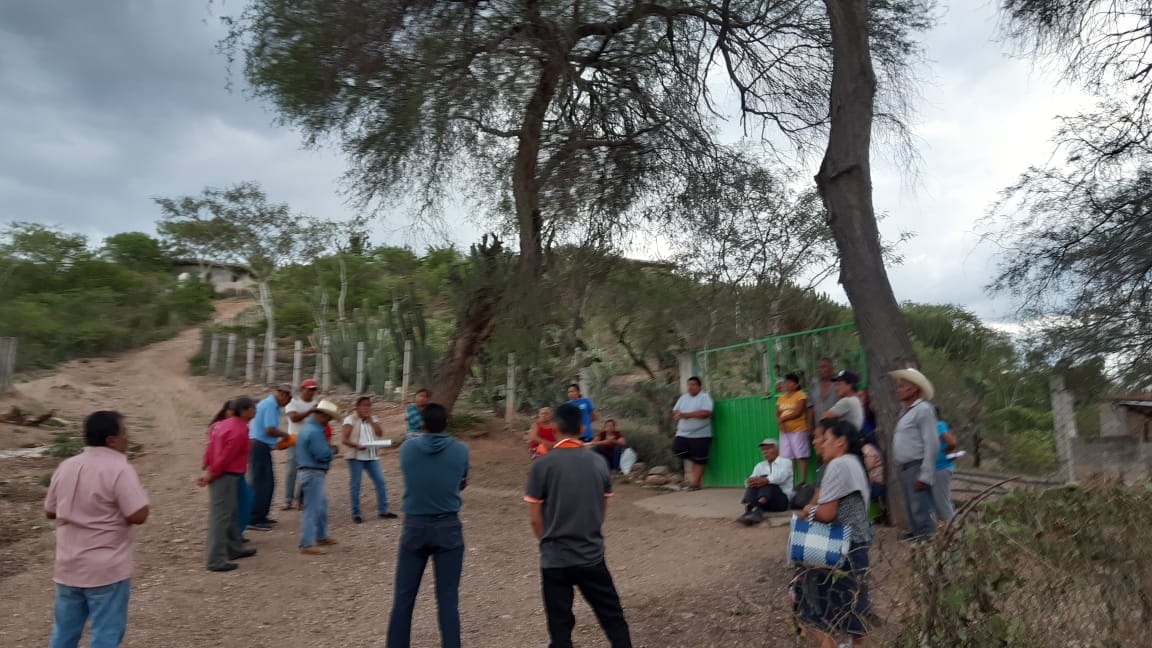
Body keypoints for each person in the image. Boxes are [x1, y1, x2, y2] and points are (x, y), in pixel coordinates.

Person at [525, 403, 632, 648]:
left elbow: (534, 517)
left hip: (555, 558)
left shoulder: (542, 465)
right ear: (583, 427)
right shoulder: (598, 464)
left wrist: (546, 541)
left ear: (554, 427)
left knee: (560, 626)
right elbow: (602, 509)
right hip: (591, 554)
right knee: (613, 618)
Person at [44, 411, 149, 648]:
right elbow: (138, 515)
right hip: (105, 570)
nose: (127, 438)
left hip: (68, 567)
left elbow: (50, 511)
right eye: (124, 433)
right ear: (111, 439)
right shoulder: (119, 469)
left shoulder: (66, 466)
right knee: (105, 634)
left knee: (64, 633)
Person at [386, 403, 470, 648]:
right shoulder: (461, 450)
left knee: (404, 597)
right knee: (447, 598)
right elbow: (462, 482)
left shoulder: (408, 449)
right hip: (448, 526)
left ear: (422, 424)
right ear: (447, 423)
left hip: (415, 525)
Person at [796, 419, 875, 648]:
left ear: (841, 442)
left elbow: (827, 513)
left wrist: (808, 510)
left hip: (841, 549)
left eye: (826, 439)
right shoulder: (854, 464)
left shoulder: (838, 465)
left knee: (812, 615)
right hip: (857, 546)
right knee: (856, 625)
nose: (821, 444)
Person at [198, 397, 258, 572]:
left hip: (226, 474)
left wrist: (208, 465)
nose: (255, 411)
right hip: (225, 476)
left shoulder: (221, 425)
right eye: (253, 408)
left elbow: (211, 447)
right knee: (221, 518)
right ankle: (215, 560)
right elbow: (226, 457)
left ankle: (234, 549)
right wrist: (211, 474)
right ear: (244, 410)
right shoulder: (238, 430)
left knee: (231, 514)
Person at [890, 368, 940, 540]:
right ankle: (918, 534)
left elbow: (932, 442)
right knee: (913, 505)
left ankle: (927, 538)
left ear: (914, 389)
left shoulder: (923, 410)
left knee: (921, 506)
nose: (899, 389)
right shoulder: (906, 411)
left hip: (917, 465)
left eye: (902, 386)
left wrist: (926, 474)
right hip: (906, 466)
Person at [341, 396, 398, 523]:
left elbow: (379, 433)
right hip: (356, 456)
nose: (367, 408)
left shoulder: (372, 419)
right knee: (356, 485)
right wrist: (357, 446)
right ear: (357, 407)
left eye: (369, 405)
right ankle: (356, 513)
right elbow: (344, 439)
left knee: (381, 482)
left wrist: (371, 420)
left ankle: (383, 510)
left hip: (372, 455)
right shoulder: (350, 419)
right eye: (364, 405)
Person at [297, 400, 340, 555]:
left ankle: (321, 535)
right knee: (313, 508)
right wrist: (332, 451)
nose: (328, 421)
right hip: (313, 471)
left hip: (310, 471)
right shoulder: (315, 432)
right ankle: (307, 543)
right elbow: (321, 454)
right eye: (327, 418)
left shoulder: (309, 428)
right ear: (321, 415)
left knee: (320, 506)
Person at [248, 383, 292, 531]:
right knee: (261, 483)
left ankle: (261, 515)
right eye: (288, 398)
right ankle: (255, 518)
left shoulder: (269, 404)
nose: (288, 402)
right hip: (259, 445)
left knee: (267, 482)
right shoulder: (271, 406)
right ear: (282, 395)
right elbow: (270, 430)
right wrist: (285, 435)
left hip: (261, 445)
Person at [282, 378, 319, 510]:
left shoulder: (316, 404)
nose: (312, 392)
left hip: (309, 441)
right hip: (294, 439)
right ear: (302, 389)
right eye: (310, 389)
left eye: (314, 389)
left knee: (306, 470)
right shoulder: (293, 403)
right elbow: (294, 418)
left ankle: (300, 499)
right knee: (291, 471)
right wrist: (311, 411)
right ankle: (288, 499)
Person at [672, 376, 714, 491]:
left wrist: (686, 415)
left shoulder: (704, 397)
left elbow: (706, 413)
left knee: (699, 459)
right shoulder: (683, 398)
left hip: (701, 435)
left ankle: (695, 484)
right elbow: (676, 410)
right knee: (678, 449)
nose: (690, 387)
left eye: (693, 385)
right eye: (689, 385)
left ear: (699, 386)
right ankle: (698, 460)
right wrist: (676, 414)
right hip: (683, 433)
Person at [740, 438, 793, 525]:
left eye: (768, 449)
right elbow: (749, 482)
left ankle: (757, 509)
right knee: (755, 482)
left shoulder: (786, 462)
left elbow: (781, 477)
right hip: (766, 503)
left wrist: (765, 480)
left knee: (766, 480)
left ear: (776, 450)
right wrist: (750, 481)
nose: (765, 452)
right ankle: (751, 509)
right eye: (763, 450)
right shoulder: (760, 465)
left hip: (781, 502)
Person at [776, 373, 810, 485]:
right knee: (788, 457)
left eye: (790, 382)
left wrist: (783, 419)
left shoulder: (801, 395)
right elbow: (777, 413)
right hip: (785, 431)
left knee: (801, 455)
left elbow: (798, 412)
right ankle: (792, 482)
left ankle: (803, 481)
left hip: (798, 429)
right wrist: (780, 423)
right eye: (786, 382)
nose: (787, 384)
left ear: (796, 384)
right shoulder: (781, 398)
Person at [933, 407, 958, 523]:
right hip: (939, 467)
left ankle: (953, 533)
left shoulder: (938, 425)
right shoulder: (935, 427)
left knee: (942, 501)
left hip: (941, 467)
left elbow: (952, 442)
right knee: (940, 500)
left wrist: (947, 451)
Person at [807, 357, 838, 431]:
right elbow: (810, 407)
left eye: (824, 367)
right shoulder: (814, 385)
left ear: (831, 368)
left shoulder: (838, 384)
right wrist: (810, 425)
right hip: (819, 427)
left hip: (836, 427)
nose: (821, 370)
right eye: (819, 368)